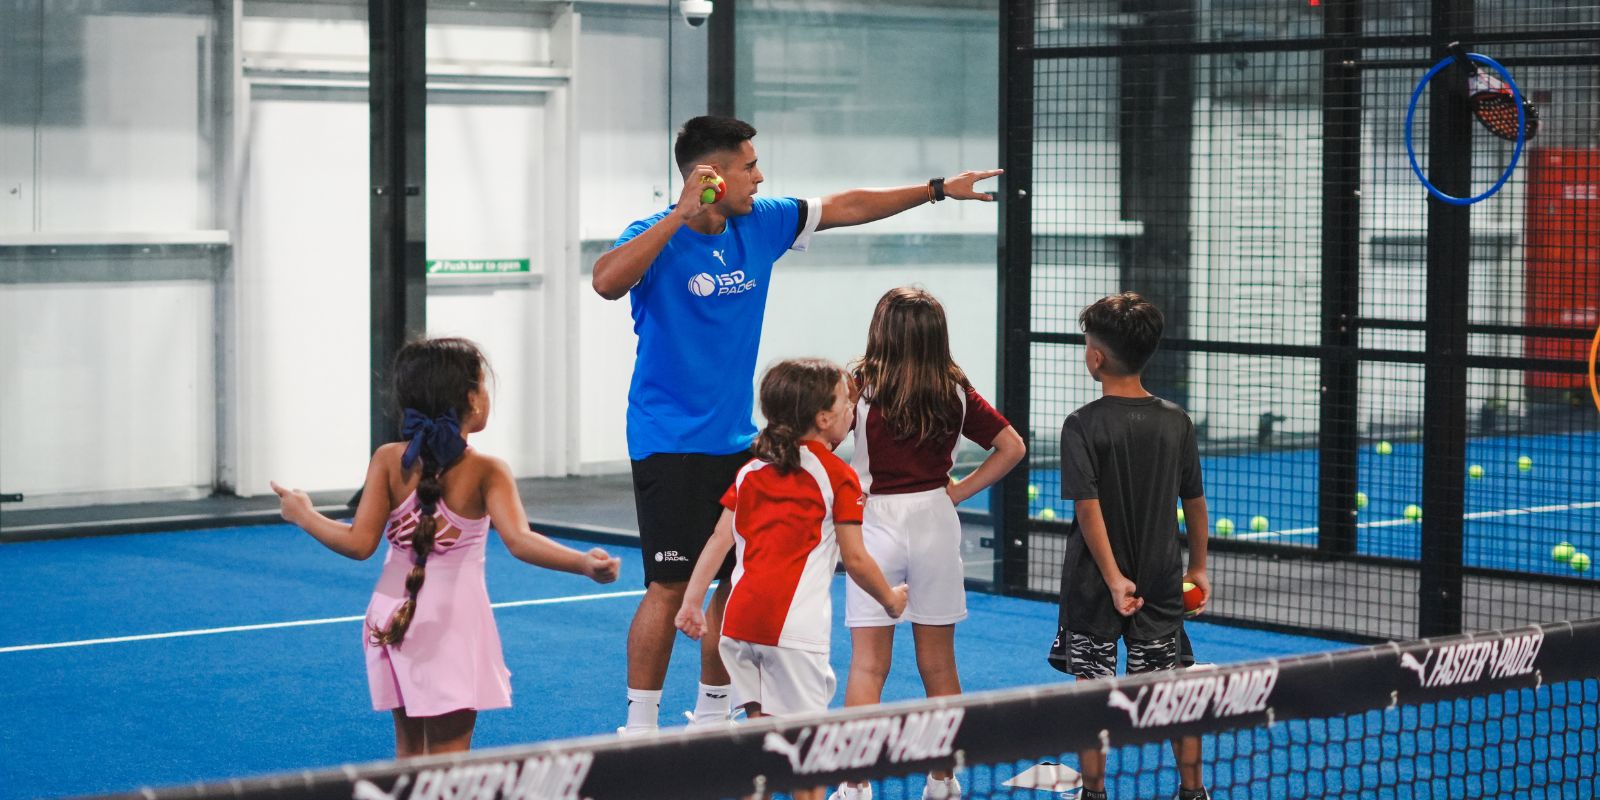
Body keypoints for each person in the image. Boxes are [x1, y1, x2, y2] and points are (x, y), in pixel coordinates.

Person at [592, 114, 1000, 734]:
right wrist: (678, 214)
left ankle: (710, 709)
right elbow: (604, 282)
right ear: (710, 175)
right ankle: (639, 725)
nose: (760, 176)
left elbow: (845, 205)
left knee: (736, 577)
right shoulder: (654, 232)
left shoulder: (763, 222)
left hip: (739, 441)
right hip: (668, 442)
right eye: (749, 166)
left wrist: (938, 188)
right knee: (671, 587)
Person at [271, 337, 621, 757]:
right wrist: (582, 562)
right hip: (449, 625)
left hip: (390, 614)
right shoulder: (486, 470)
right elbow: (520, 540)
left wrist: (304, 514)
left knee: (410, 756)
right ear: (472, 399)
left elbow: (359, 543)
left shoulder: (387, 459)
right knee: (449, 760)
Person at [675, 358, 908, 800]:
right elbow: (856, 560)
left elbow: (718, 540)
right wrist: (891, 600)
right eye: (845, 403)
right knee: (806, 761)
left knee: (762, 750)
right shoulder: (836, 475)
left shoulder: (749, 472)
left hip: (738, 628)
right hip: (792, 634)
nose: (850, 410)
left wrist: (691, 603)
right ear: (823, 419)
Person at [831, 288, 1027, 800]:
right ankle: (942, 781)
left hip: (873, 523)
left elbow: (822, 443)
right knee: (939, 665)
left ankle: (854, 785)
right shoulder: (955, 389)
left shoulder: (859, 386)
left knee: (869, 664)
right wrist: (958, 491)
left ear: (880, 331)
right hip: (936, 523)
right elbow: (1012, 446)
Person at [1057, 293, 1212, 800]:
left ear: (1096, 358)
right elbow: (1195, 501)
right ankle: (1194, 792)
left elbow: (1087, 508)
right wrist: (1201, 567)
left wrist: (1113, 578)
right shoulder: (1177, 420)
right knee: (1173, 692)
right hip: (1163, 581)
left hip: (1093, 585)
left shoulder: (1080, 423)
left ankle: (1094, 794)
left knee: (1090, 696)